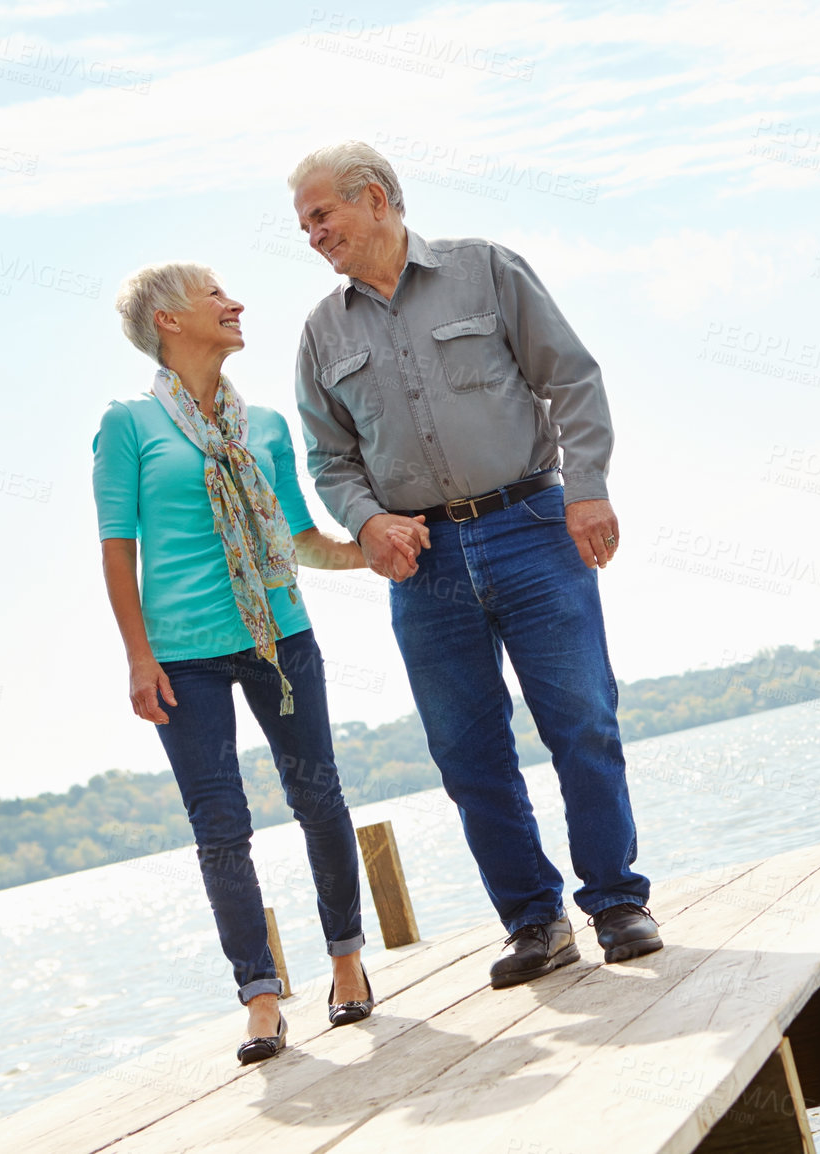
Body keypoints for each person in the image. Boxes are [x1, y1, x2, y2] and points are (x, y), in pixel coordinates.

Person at [287, 141, 660, 989]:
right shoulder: (321, 331)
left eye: (321, 215)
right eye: (304, 222)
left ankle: (617, 902)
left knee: (582, 720)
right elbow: (330, 459)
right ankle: (534, 920)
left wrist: (588, 489)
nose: (312, 235)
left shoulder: (484, 270)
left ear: (375, 197)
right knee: (465, 752)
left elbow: (572, 379)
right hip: (425, 562)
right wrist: (369, 520)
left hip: (532, 523)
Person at [94, 262, 378, 1064]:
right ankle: (259, 997)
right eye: (213, 295)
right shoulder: (128, 426)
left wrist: (379, 550)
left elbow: (299, 542)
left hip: (280, 636)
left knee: (318, 797)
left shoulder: (268, 429)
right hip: (183, 657)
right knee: (220, 829)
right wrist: (138, 658)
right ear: (168, 322)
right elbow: (119, 553)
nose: (235, 302)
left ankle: (347, 962)